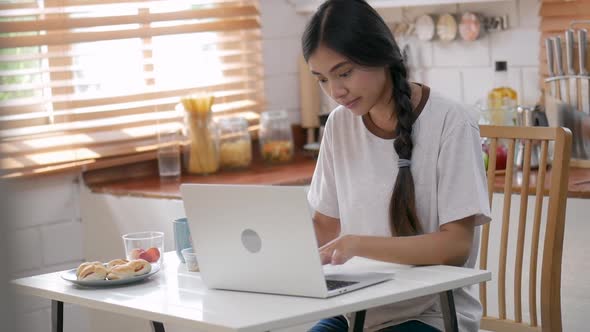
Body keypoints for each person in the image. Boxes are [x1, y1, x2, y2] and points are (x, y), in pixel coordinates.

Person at [302, 1, 491, 331]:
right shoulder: (338, 125)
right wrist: (252, 253)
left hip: (431, 313)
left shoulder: (450, 122)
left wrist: (358, 244)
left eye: (344, 72)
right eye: (322, 79)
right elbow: (325, 227)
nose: (336, 91)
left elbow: (455, 247)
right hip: (356, 308)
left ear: (381, 55)